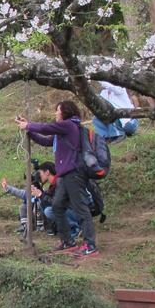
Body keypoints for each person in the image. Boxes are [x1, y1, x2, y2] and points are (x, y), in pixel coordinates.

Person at [17, 100, 98, 256]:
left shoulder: (68, 125)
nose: (55, 113)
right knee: (57, 206)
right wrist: (30, 131)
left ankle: (90, 244)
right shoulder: (63, 131)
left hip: (74, 174)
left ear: (65, 112)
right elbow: (46, 140)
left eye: (57, 110)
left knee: (81, 209)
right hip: (65, 176)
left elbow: (46, 129)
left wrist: (29, 125)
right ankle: (68, 241)